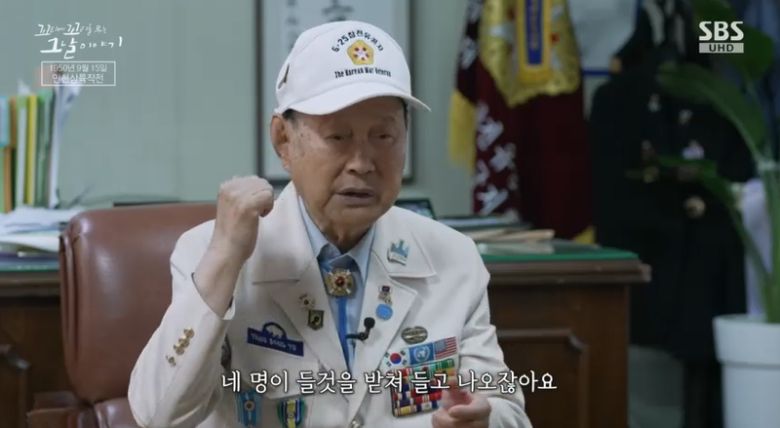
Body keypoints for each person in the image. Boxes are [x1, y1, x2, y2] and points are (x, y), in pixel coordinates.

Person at [128, 20, 532, 428]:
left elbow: (507, 408)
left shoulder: (453, 257)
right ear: (283, 140)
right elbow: (158, 415)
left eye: (384, 136)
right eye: (338, 137)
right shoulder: (210, 253)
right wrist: (224, 260)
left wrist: (485, 420)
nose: (362, 163)